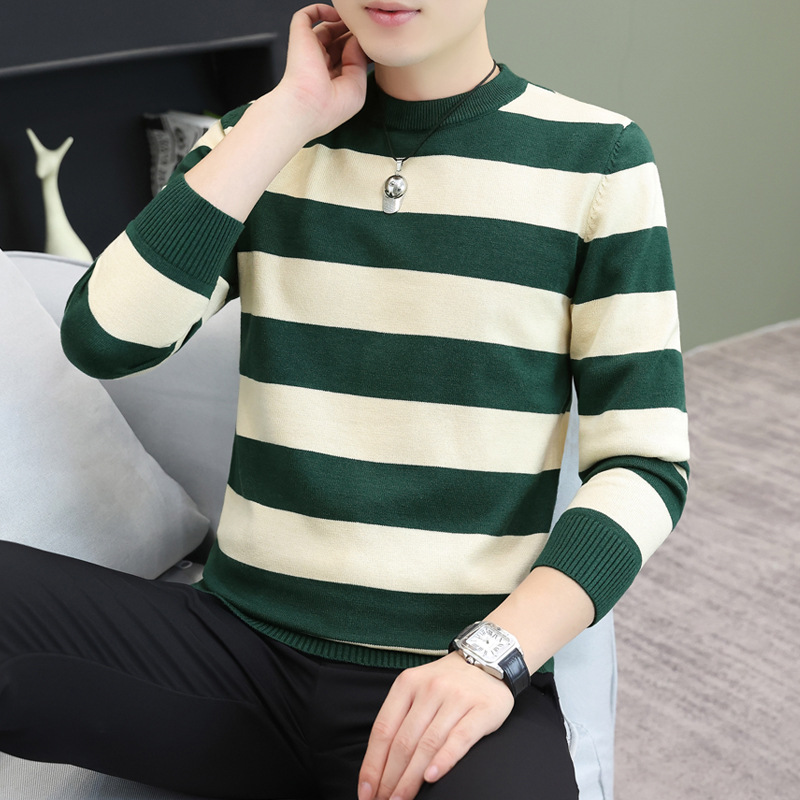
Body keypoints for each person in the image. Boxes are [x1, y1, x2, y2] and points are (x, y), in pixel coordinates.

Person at [0, 2, 690, 799]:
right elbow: (105, 339)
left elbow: (645, 465)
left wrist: (493, 654)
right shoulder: (262, 140)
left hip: (442, 677)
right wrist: (284, 114)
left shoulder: (599, 160)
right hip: (232, 656)